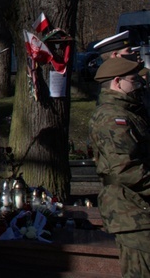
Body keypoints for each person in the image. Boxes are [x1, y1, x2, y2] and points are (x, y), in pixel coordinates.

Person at [88, 57, 150, 277]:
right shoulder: (112, 117)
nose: (140, 84)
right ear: (117, 82)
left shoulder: (131, 112)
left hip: (139, 209)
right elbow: (125, 168)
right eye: (134, 80)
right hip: (132, 212)